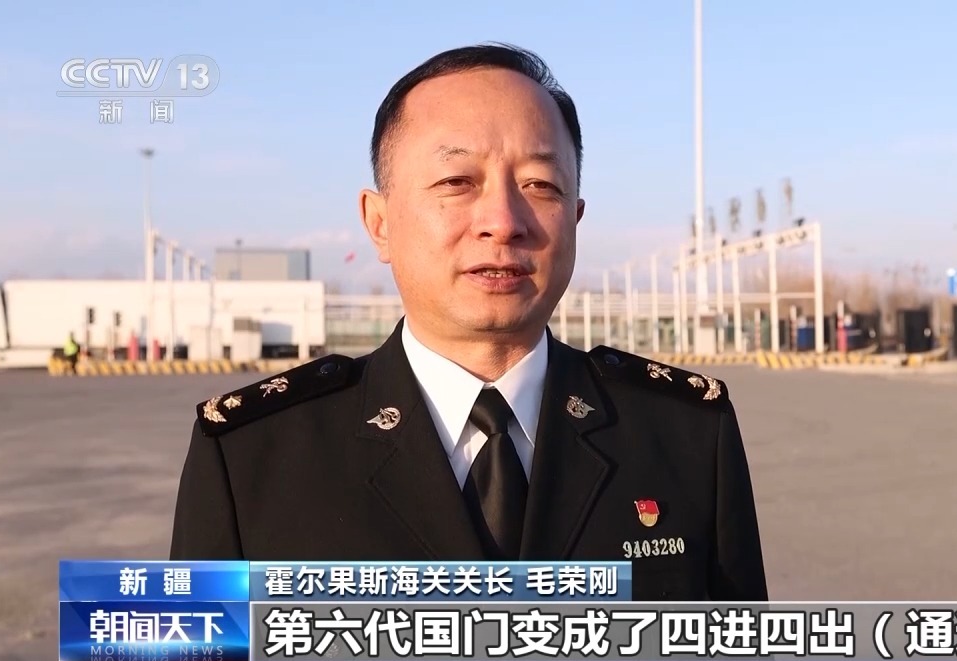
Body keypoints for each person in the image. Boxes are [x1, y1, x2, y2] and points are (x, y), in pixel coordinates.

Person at [169, 43, 767, 601]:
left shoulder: (686, 434)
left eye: (541, 185)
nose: (503, 221)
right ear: (379, 222)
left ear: (575, 218)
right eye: (457, 182)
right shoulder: (250, 456)